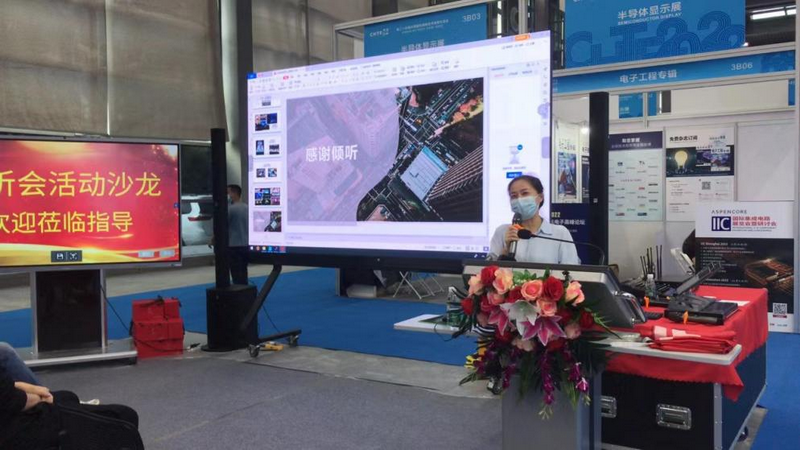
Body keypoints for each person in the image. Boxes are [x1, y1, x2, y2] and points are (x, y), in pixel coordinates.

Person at [0, 350, 139, 449]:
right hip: (12, 427)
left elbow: (8, 388)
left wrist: (36, 391)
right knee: (125, 415)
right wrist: (41, 398)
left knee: (68, 396)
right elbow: (13, 400)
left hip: (10, 410)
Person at [489, 175, 580, 265]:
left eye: (525, 193)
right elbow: (488, 269)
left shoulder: (560, 233)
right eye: (514, 196)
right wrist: (506, 250)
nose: (519, 199)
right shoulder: (502, 232)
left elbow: (571, 270)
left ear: (540, 197)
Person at [227, 184, 249, 285]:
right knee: (243, 270)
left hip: (233, 245)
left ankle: (237, 289)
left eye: (228, 192)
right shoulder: (247, 207)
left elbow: (223, 226)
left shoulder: (230, 209)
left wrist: (213, 238)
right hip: (245, 244)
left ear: (234, 193)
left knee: (235, 272)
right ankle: (245, 289)